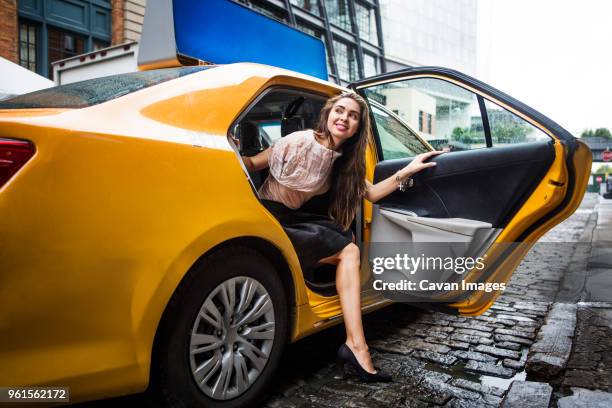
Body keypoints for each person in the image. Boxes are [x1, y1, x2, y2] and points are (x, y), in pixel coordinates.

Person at [239, 92, 442, 382]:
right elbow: (253, 165)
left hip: (298, 222)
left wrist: (407, 170)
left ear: (358, 127)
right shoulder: (300, 141)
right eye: (339, 110)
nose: (344, 118)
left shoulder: (346, 161)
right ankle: (357, 347)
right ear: (328, 114)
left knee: (349, 250)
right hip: (270, 219)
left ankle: (356, 346)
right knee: (349, 249)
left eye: (353, 115)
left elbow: (372, 194)